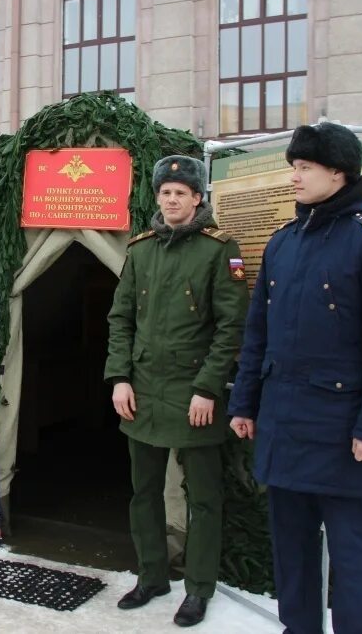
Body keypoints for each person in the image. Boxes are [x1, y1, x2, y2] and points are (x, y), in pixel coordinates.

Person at [227, 122, 362, 634]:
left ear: (339, 172)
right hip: (284, 422)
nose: (295, 177)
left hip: (340, 428)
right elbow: (257, 332)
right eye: (293, 167)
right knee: (291, 548)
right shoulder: (283, 243)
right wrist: (244, 404)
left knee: (352, 551)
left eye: (304, 167)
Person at [105, 155, 248, 627]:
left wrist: (208, 388)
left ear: (197, 199)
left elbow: (232, 327)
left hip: (195, 397)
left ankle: (198, 588)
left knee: (203, 498)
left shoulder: (218, 249)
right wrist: (119, 377)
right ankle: (151, 577)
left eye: (180, 193)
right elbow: (120, 318)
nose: (171, 200)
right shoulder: (141, 249)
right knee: (142, 492)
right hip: (141, 392)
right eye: (165, 193)